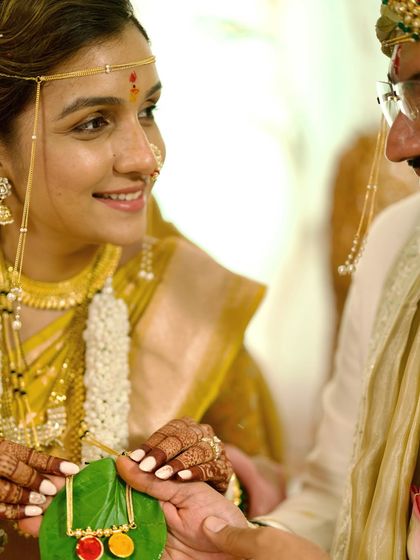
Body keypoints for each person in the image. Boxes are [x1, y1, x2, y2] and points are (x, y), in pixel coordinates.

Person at [116, 1, 420, 558]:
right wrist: (235, 536)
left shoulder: (198, 317)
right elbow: (337, 495)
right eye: (402, 99)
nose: (398, 144)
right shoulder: (397, 244)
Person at [0, 0, 284, 556]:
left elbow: (282, 489)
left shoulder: (186, 295)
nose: (146, 156)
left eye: (148, 110)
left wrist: (222, 486)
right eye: (93, 123)